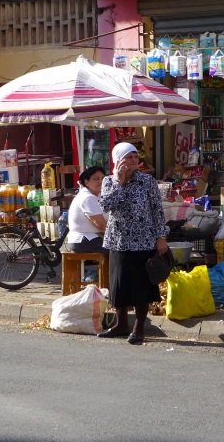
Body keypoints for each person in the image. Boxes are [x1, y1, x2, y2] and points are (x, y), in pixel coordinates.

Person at [97, 142, 168, 345]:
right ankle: (120, 324)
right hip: (118, 240)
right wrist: (119, 183)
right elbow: (106, 205)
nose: (133, 160)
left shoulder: (147, 181)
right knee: (119, 284)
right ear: (118, 160)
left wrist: (161, 237)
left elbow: (157, 210)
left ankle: (139, 328)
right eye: (128, 157)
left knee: (140, 287)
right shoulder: (109, 182)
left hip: (143, 240)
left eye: (135, 157)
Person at [63, 166, 108, 253]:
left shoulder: (97, 196)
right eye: (96, 179)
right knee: (121, 247)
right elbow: (101, 225)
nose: (101, 181)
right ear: (87, 182)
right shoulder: (87, 198)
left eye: (103, 178)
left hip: (92, 238)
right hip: (84, 240)